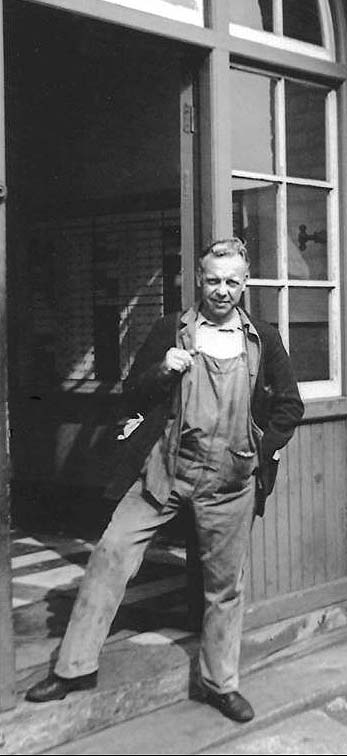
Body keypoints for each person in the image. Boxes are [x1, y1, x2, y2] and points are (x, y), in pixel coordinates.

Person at [26, 238, 304, 723]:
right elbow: (132, 394)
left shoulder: (262, 338)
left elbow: (290, 406)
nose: (222, 290)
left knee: (225, 587)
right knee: (110, 555)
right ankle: (73, 669)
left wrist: (260, 451)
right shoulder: (170, 329)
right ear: (198, 279)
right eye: (213, 280)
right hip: (166, 471)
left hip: (230, 481)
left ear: (244, 283)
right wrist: (163, 369)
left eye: (232, 281)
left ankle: (220, 684)